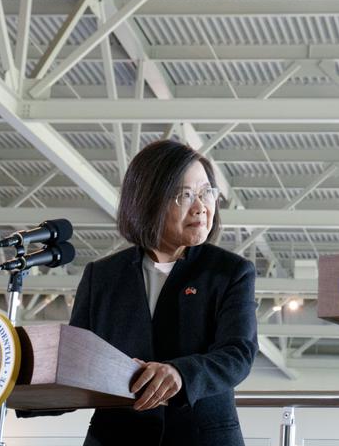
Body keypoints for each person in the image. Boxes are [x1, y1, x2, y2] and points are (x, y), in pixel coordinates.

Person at [70, 140, 258, 446]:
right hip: (116, 437)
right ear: (149, 200)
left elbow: (238, 354)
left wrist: (182, 373)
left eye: (206, 192)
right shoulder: (101, 276)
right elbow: (77, 359)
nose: (201, 207)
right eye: (185, 195)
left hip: (201, 437)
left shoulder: (230, 272)